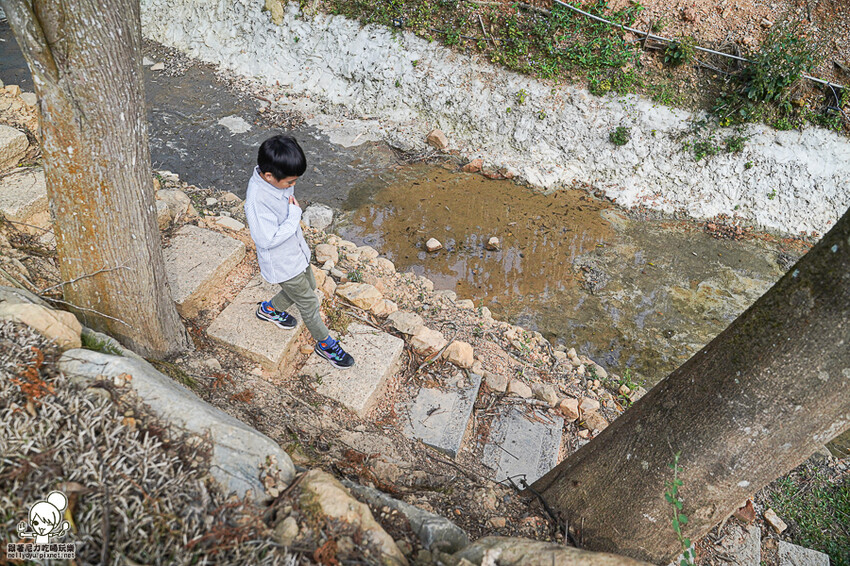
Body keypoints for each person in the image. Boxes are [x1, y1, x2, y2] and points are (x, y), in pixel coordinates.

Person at [244, 135, 354, 369]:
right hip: (283, 262)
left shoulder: (274, 181)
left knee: (310, 285)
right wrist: (295, 216)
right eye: (289, 182)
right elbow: (266, 239)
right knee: (309, 303)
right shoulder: (257, 200)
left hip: (296, 253)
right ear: (269, 176)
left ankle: (270, 309)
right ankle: (325, 345)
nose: (293, 186)